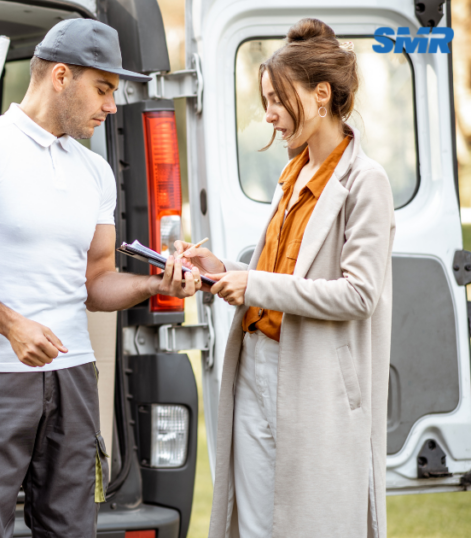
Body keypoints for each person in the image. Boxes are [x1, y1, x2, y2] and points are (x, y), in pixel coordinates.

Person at [0, 18, 202, 538]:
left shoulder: (94, 172)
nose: (112, 106)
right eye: (103, 89)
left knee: (71, 528)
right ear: (61, 76)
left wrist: (157, 286)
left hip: (73, 379)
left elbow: (96, 283)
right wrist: (10, 324)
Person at [178, 18, 394, 538]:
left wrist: (252, 285)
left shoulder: (367, 182)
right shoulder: (291, 175)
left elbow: (358, 294)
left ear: (321, 96)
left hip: (313, 378)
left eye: (278, 99)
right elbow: (282, 274)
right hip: (256, 365)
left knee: (314, 525)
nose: (270, 115)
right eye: (266, 100)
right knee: (255, 525)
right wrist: (222, 270)